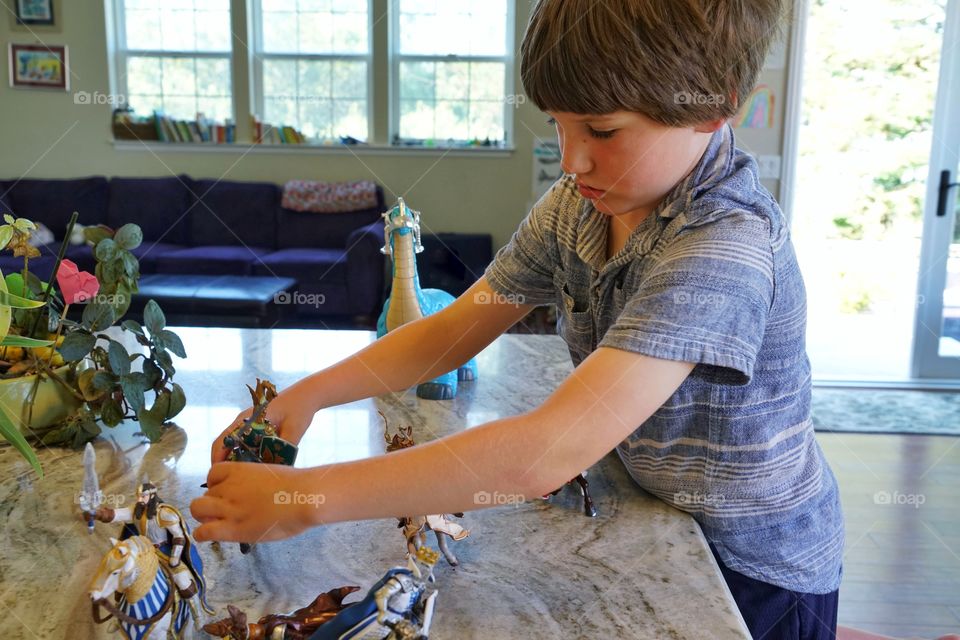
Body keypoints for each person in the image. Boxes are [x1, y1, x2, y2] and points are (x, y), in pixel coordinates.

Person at [191, 0, 844, 637]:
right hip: (653, 511)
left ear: (715, 104)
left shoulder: (723, 247)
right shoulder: (579, 205)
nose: (571, 159)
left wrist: (307, 498)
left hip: (753, 567)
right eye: (558, 124)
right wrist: (302, 398)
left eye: (603, 130)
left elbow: (546, 453)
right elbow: (453, 330)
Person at [87, 481, 214, 628]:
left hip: (164, 552)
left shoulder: (165, 513)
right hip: (142, 550)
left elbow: (178, 536)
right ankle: (119, 615)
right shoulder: (136, 510)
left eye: (143, 496)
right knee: (123, 578)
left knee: (183, 580)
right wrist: (96, 513)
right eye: (138, 496)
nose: (140, 500)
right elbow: (115, 514)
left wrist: (174, 557)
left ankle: (197, 614)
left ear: (152, 495)